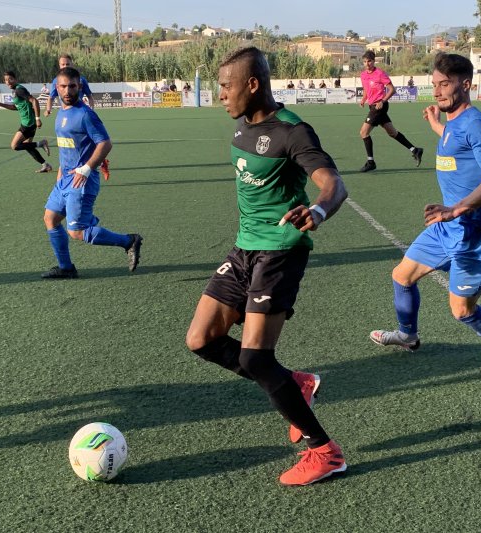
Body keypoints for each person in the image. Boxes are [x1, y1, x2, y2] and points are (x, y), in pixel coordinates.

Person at [185, 46, 349, 486]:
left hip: (280, 251)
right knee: (201, 339)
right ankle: (296, 384)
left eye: (226, 86)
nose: (220, 95)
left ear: (252, 85)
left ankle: (325, 452)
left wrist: (316, 212)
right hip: (244, 250)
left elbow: (334, 184)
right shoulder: (240, 129)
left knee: (257, 357)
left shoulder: (293, 132)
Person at [369, 52, 481, 370]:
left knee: (463, 311)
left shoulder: (476, 124)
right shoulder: (455, 123)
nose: (437, 91)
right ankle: (407, 335)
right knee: (402, 276)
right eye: (434, 85)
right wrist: (437, 126)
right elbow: (459, 145)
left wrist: (457, 209)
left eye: (444, 84)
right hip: (446, 229)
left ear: (465, 84)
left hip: (475, 238)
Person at [40, 66, 143, 279]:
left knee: (77, 232)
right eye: (63, 86)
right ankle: (66, 268)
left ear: (79, 86)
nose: (67, 91)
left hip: (82, 180)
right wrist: (60, 174)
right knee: (50, 219)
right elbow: (67, 147)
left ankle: (129, 241)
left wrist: (87, 169)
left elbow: (105, 143)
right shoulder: (62, 113)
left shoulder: (85, 114)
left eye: (72, 86)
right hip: (65, 179)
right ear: (56, 88)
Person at [357, 50, 423, 172]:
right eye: (365, 62)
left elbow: (392, 90)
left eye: (369, 61)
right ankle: (415, 150)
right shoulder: (363, 75)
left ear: (374, 61)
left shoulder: (380, 74)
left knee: (363, 132)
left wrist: (383, 101)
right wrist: (363, 99)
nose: (367, 64)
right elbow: (366, 89)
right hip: (372, 106)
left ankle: (370, 162)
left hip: (379, 106)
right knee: (392, 133)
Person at [0, 71, 53, 173]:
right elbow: (15, 107)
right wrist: (1, 104)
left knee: (15, 146)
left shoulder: (19, 90)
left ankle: (41, 143)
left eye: (10, 79)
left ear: (15, 79)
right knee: (27, 146)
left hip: (28, 123)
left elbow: (34, 101)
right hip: (28, 122)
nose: (8, 82)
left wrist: (37, 118)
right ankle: (45, 165)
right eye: (6, 80)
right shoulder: (15, 91)